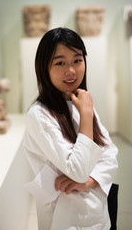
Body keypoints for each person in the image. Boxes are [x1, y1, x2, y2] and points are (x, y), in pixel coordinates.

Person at [23, 27, 118, 230]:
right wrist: (86, 114)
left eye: (77, 60)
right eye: (60, 63)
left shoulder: (81, 102)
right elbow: (77, 171)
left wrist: (91, 181)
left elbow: (110, 154)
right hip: (63, 217)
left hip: (98, 212)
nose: (71, 70)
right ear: (43, 68)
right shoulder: (40, 114)